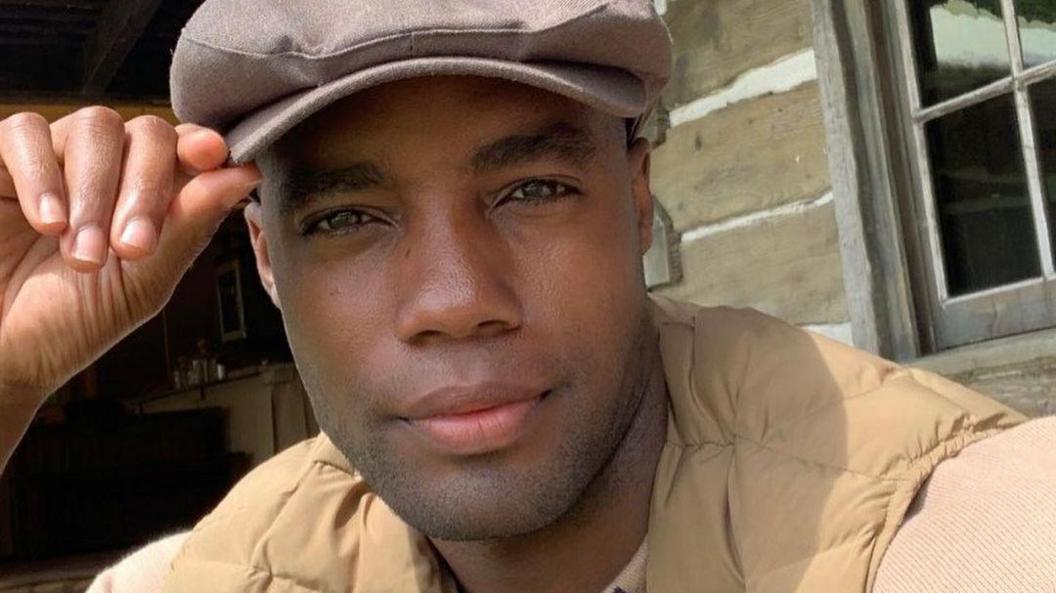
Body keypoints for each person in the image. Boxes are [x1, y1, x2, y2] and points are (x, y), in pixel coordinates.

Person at [0, 1, 1052, 592]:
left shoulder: (939, 521)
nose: (456, 300)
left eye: (533, 189)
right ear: (268, 261)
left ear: (637, 199)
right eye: (348, 218)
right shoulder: (217, 572)